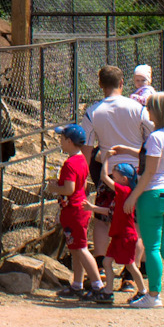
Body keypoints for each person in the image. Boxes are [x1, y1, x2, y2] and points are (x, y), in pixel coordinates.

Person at [112, 91, 164, 309]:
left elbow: (149, 172)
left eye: (150, 107)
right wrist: (129, 150)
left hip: (153, 195)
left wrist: (132, 197)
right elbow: (156, 158)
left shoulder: (155, 137)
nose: (147, 110)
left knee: (153, 247)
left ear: (159, 111)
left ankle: (153, 294)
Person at [83, 64, 152, 270]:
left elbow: (86, 151)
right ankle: (132, 274)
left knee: (103, 220)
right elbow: (151, 142)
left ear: (100, 84)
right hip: (135, 176)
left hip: (109, 174)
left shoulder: (93, 112)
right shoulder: (139, 109)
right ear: (122, 83)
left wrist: (85, 179)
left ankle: (101, 269)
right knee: (136, 223)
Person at [52, 124, 103, 301]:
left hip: (74, 210)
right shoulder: (82, 159)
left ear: (69, 141)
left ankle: (98, 286)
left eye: (62, 138)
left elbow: (68, 189)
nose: (60, 141)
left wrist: (54, 187)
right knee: (75, 249)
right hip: (80, 208)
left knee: (81, 249)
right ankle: (77, 285)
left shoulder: (70, 163)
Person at [99, 159, 147, 305]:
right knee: (107, 262)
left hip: (126, 236)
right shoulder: (122, 194)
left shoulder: (125, 191)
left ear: (124, 179)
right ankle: (108, 291)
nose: (113, 179)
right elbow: (112, 212)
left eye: (115, 177)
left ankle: (143, 291)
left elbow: (103, 177)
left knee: (130, 265)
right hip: (118, 234)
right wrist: (92, 208)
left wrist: (106, 157)